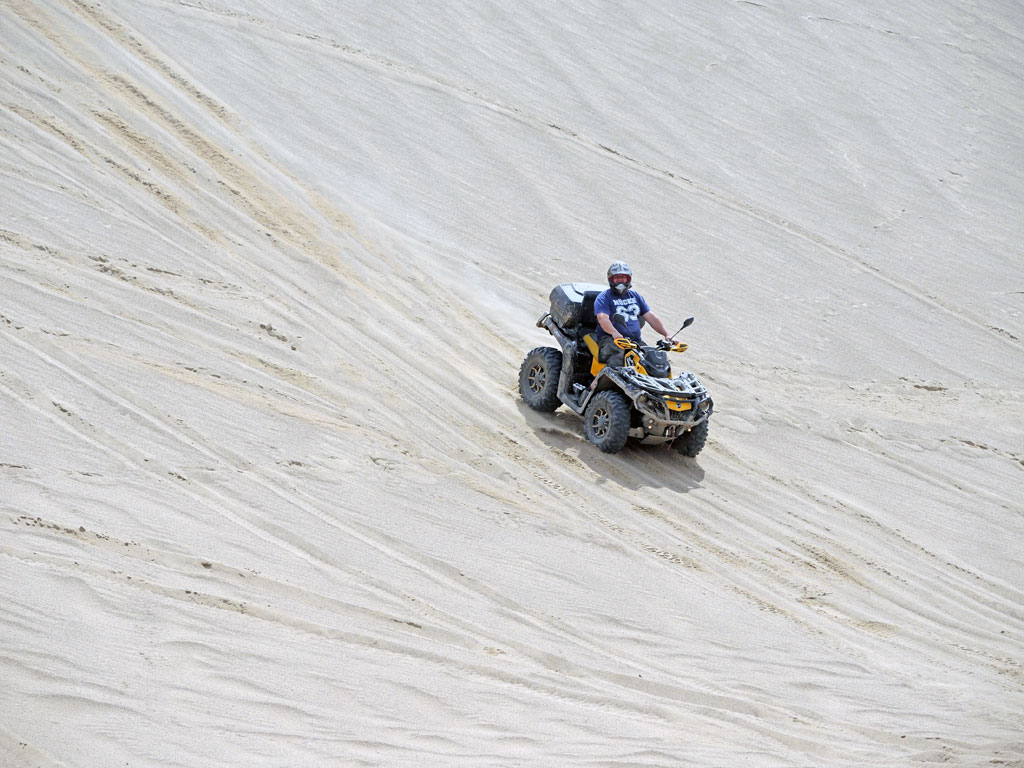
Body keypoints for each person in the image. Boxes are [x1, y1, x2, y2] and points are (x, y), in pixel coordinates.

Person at [593, 261, 675, 367]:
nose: (620, 281)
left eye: (623, 278)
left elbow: (651, 317)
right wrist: (614, 333)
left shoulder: (635, 296)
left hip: (635, 341)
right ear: (610, 279)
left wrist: (667, 334)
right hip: (611, 340)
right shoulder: (604, 297)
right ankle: (603, 377)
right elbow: (602, 318)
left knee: (651, 360)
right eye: (617, 278)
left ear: (629, 279)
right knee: (617, 359)